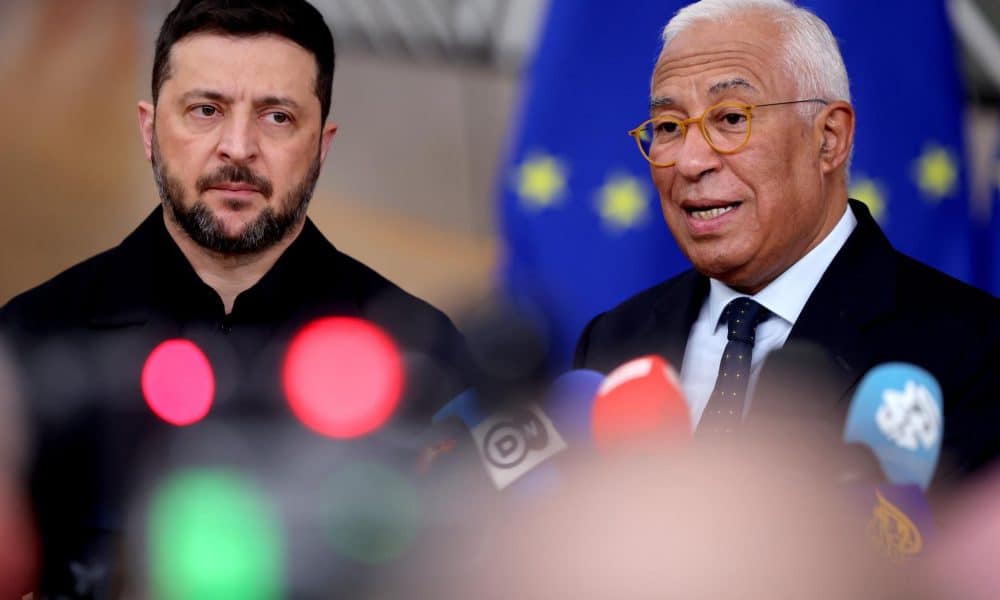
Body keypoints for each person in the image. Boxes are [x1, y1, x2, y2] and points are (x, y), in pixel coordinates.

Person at [0, 0, 468, 595]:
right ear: (149, 130)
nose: (238, 147)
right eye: (205, 110)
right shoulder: (30, 341)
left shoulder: (421, 355)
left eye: (276, 117)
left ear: (322, 146)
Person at [573, 0, 999, 481]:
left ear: (829, 139)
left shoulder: (975, 352)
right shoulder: (612, 342)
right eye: (669, 127)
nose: (690, 162)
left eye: (731, 118)